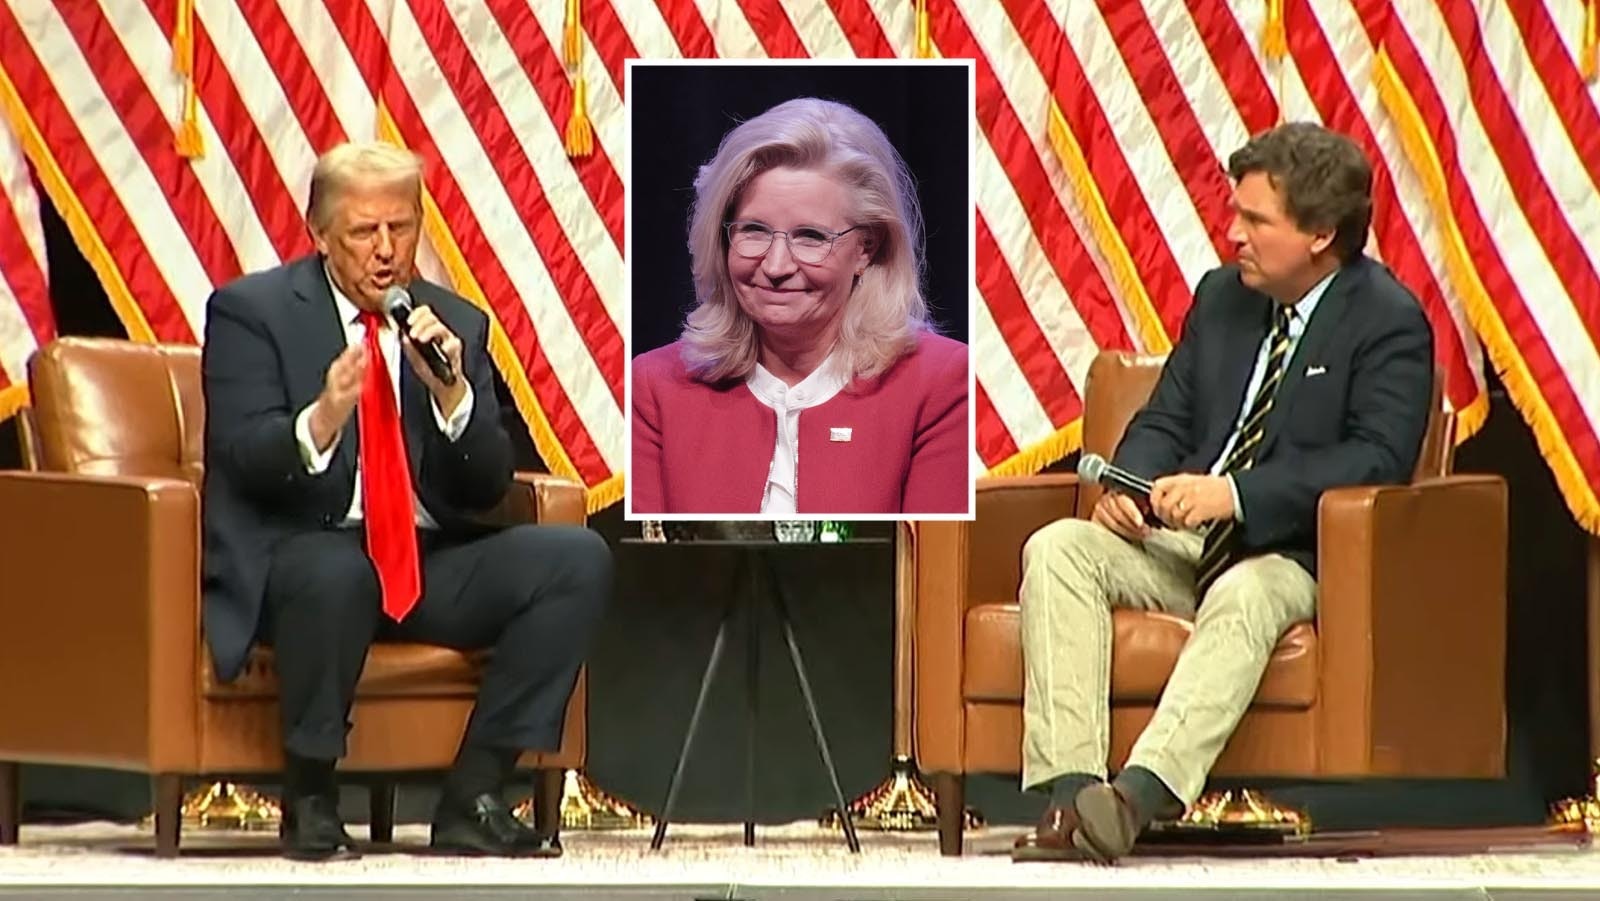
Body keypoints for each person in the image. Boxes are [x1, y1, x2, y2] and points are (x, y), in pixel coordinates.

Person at [1012, 123, 1434, 862]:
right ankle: (1073, 795)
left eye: (1255, 220)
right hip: (1185, 544)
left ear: (1320, 234)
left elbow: (1376, 461)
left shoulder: (1388, 321)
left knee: (1248, 592)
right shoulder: (1221, 298)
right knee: (1060, 547)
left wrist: (1234, 494)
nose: (1232, 233)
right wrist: (1131, 489)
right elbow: (1165, 416)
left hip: (1293, 552)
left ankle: (1136, 797)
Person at [201, 142, 611, 861]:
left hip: (422, 565)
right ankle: (311, 798)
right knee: (338, 573)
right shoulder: (252, 312)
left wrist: (453, 396)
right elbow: (242, 458)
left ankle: (475, 796)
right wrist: (323, 417)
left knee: (575, 557)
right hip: (304, 557)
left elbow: (484, 487)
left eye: (402, 228)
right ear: (320, 232)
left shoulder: (451, 322)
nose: (386, 252)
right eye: (364, 232)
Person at [630, 97, 968, 515]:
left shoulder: (942, 383)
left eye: (810, 237)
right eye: (753, 230)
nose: (775, 266)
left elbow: (930, 564)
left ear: (866, 248)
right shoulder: (652, 386)